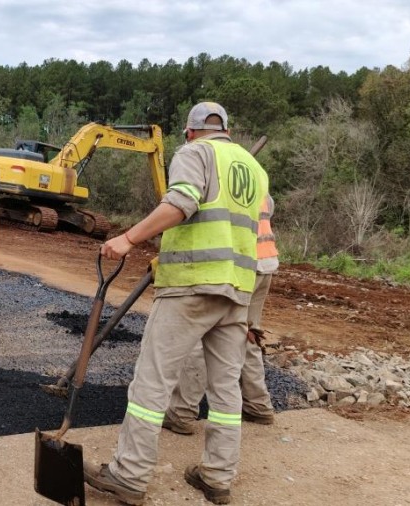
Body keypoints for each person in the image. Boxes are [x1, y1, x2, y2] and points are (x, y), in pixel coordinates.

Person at [83, 102, 268, 505]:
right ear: (227, 130)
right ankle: (217, 476)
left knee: (152, 381)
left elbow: (181, 203)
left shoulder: (195, 153)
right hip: (237, 289)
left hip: (191, 285)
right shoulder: (255, 170)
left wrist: (128, 239)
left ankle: (129, 475)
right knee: (224, 392)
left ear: (189, 132)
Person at [162, 193, 280, 436]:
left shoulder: (217, 181)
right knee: (247, 335)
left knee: (202, 335)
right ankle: (258, 405)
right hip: (263, 264)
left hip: (234, 267)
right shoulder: (256, 181)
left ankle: (181, 413)